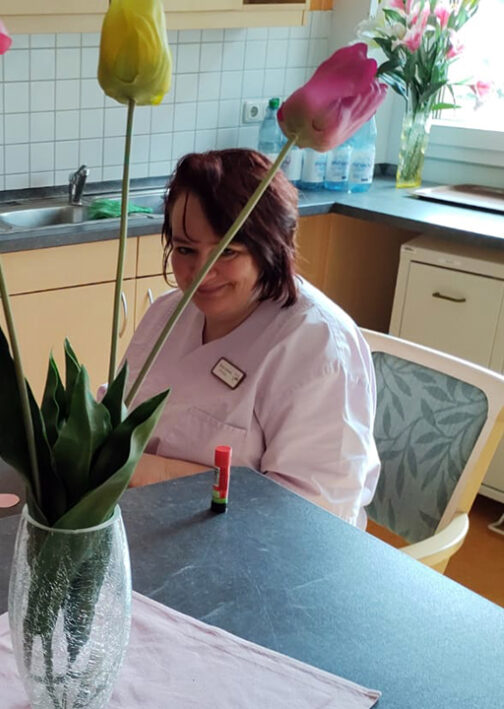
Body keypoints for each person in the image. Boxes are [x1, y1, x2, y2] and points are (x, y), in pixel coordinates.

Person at [123, 149, 380, 529]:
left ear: (271, 246)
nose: (201, 271)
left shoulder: (318, 346)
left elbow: (309, 518)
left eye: (227, 251)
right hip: (153, 525)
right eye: (185, 249)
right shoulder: (167, 313)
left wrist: (147, 471)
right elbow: (117, 414)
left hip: (260, 551)